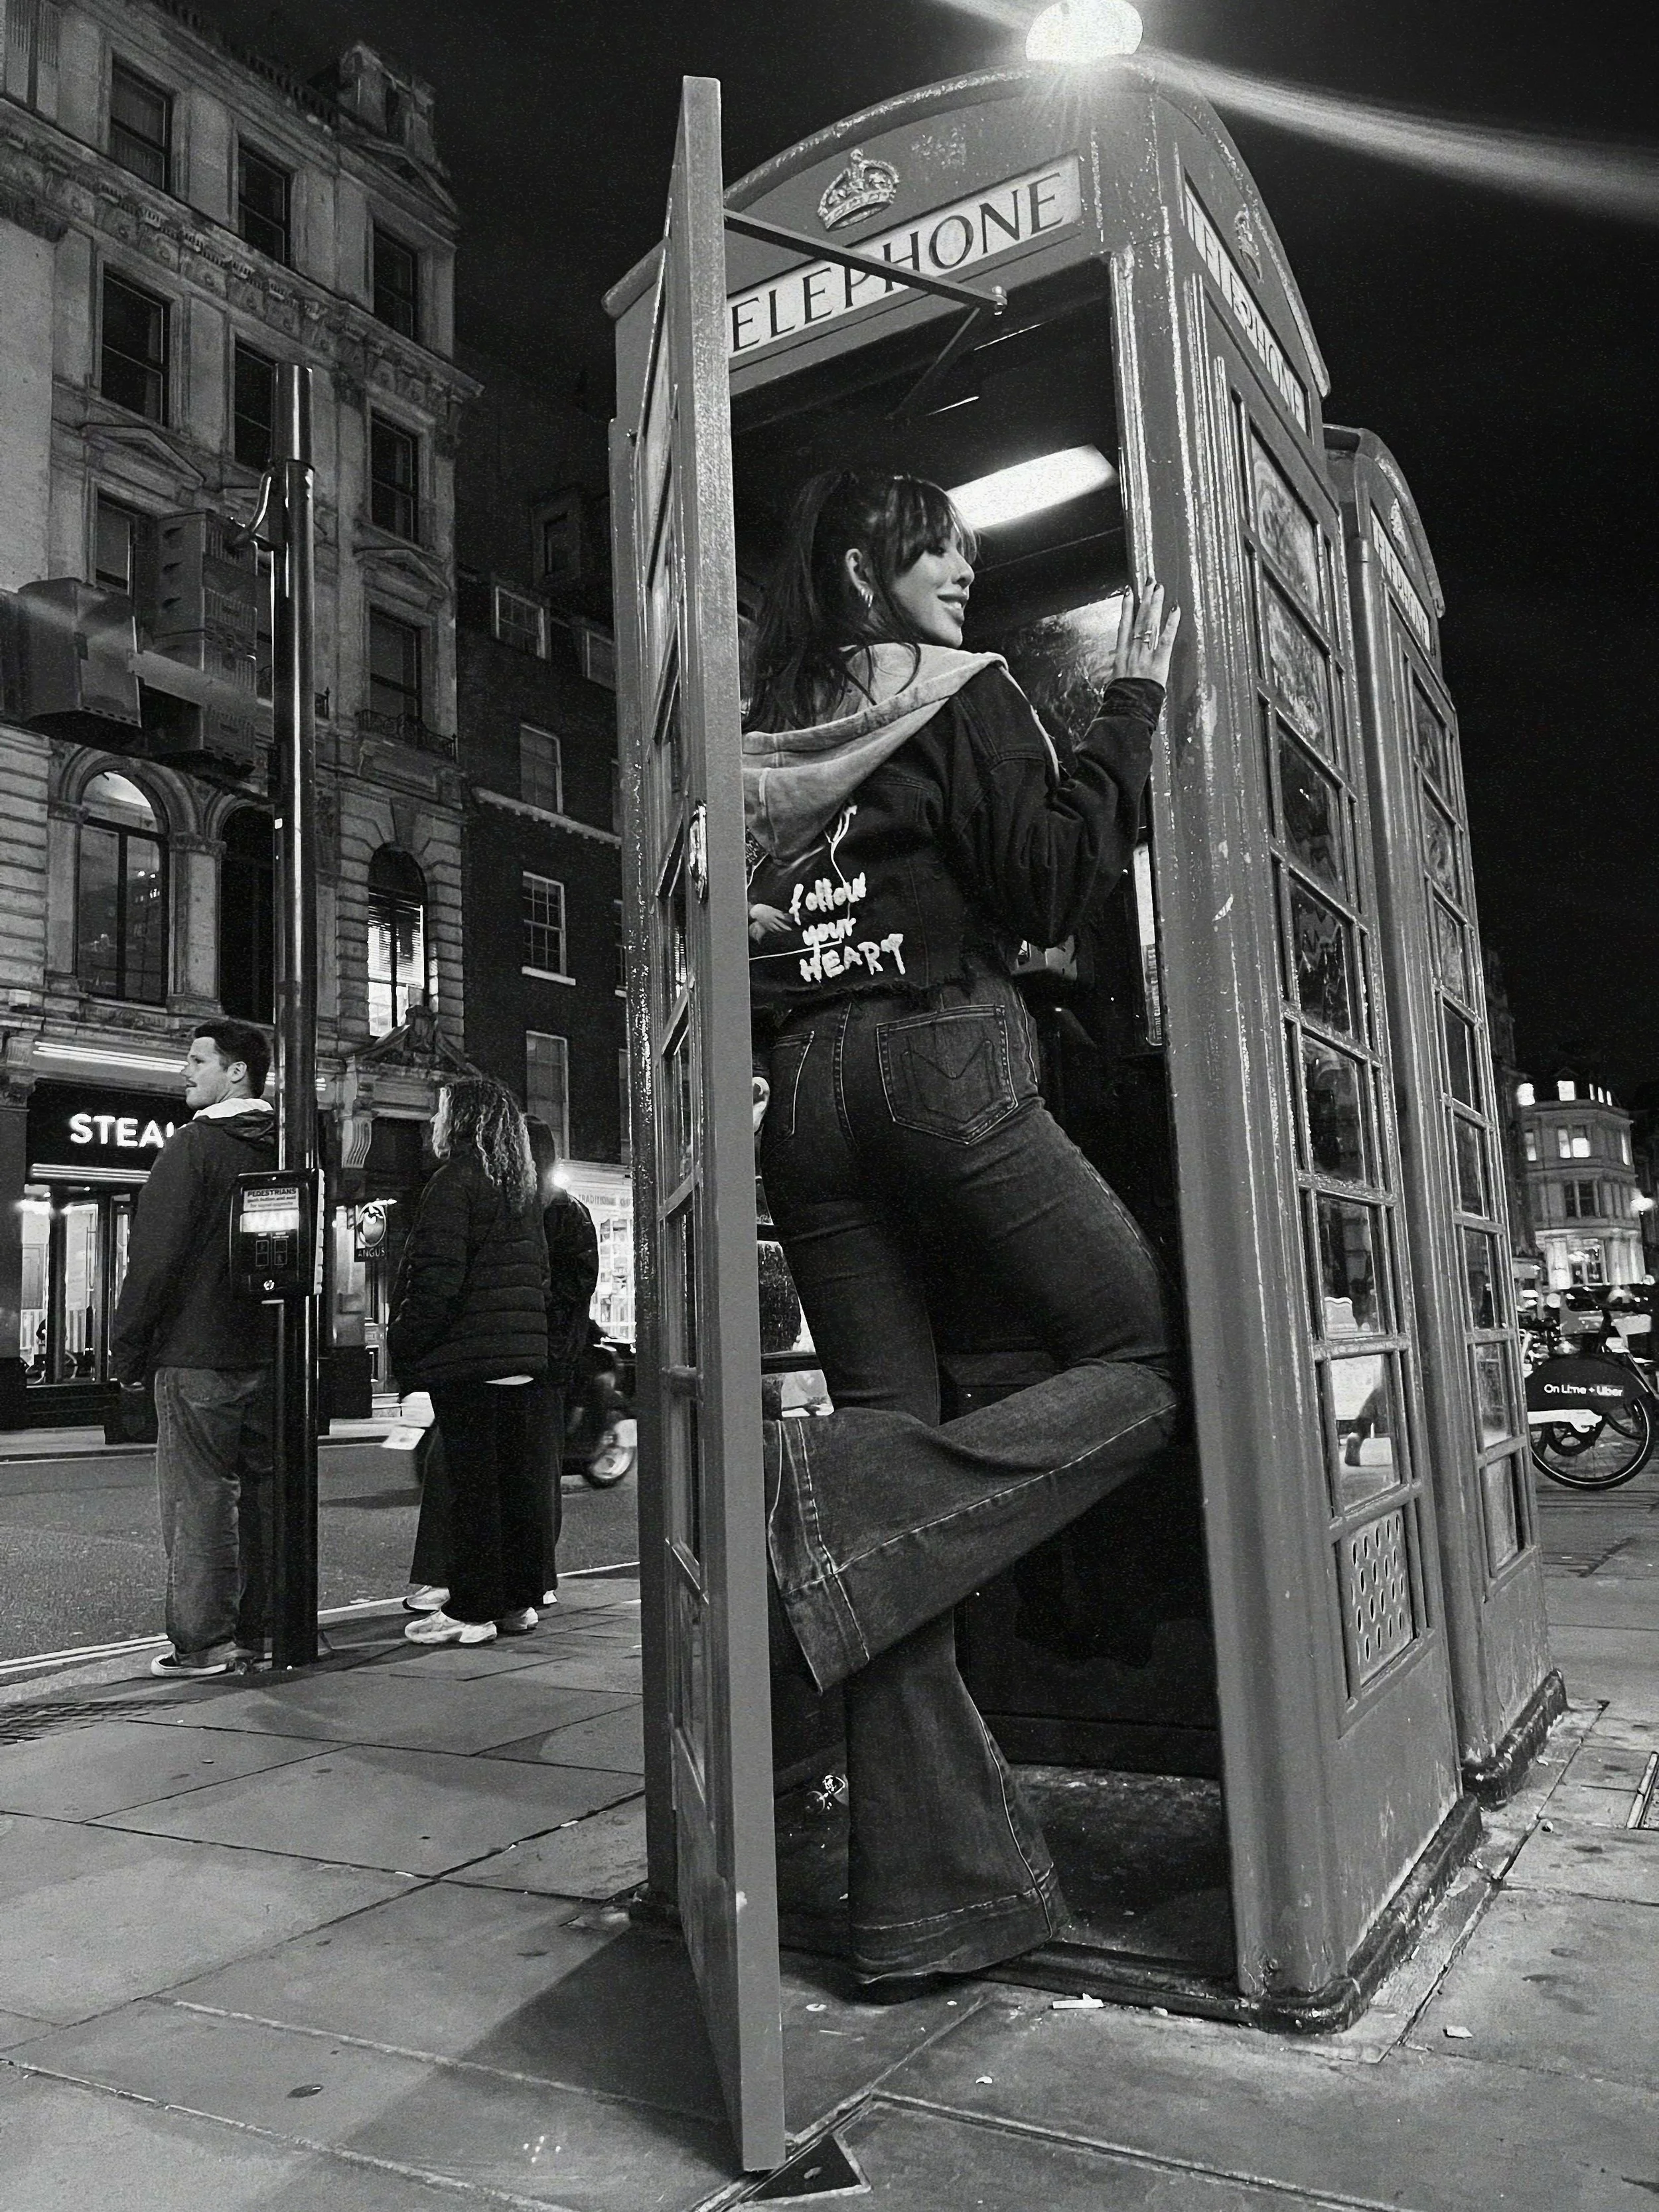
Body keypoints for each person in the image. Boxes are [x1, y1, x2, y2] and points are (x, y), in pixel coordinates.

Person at [745, 469, 1183, 1992]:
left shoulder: (770, 730)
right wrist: (1126, 715)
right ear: (872, 560)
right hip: (941, 1059)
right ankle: (847, 1512)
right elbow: (1051, 878)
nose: (963, 581)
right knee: (1140, 1352)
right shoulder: (959, 691)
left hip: (802, 1091)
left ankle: (930, 1904)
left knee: (889, 1452)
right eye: (942, 552)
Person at [109, 1021, 278, 1678]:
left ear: (235, 1072)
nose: (185, 1071)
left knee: (201, 1498)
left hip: (197, 1353)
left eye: (197, 1060)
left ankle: (206, 1643)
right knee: (265, 1496)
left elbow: (154, 1260)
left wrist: (128, 1353)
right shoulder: (289, 1144)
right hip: (270, 1355)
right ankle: (266, 1632)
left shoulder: (194, 1147)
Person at [403, 1116, 596, 1613]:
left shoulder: (563, 1215)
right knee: (473, 1474)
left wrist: (546, 1352)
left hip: (538, 1364)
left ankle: (524, 1583)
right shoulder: (510, 1205)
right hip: (504, 1358)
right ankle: (473, 1581)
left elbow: (568, 1292)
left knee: (526, 1477)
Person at [389, 1076, 550, 1646]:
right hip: (521, 1362)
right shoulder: (519, 1189)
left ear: (462, 1120)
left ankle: (471, 1610)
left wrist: (405, 1341)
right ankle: (517, 1602)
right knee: (515, 1487)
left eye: (441, 1112)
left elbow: (436, 1278)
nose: (434, 1121)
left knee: (471, 1491)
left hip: (471, 1363)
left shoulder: (454, 1182)